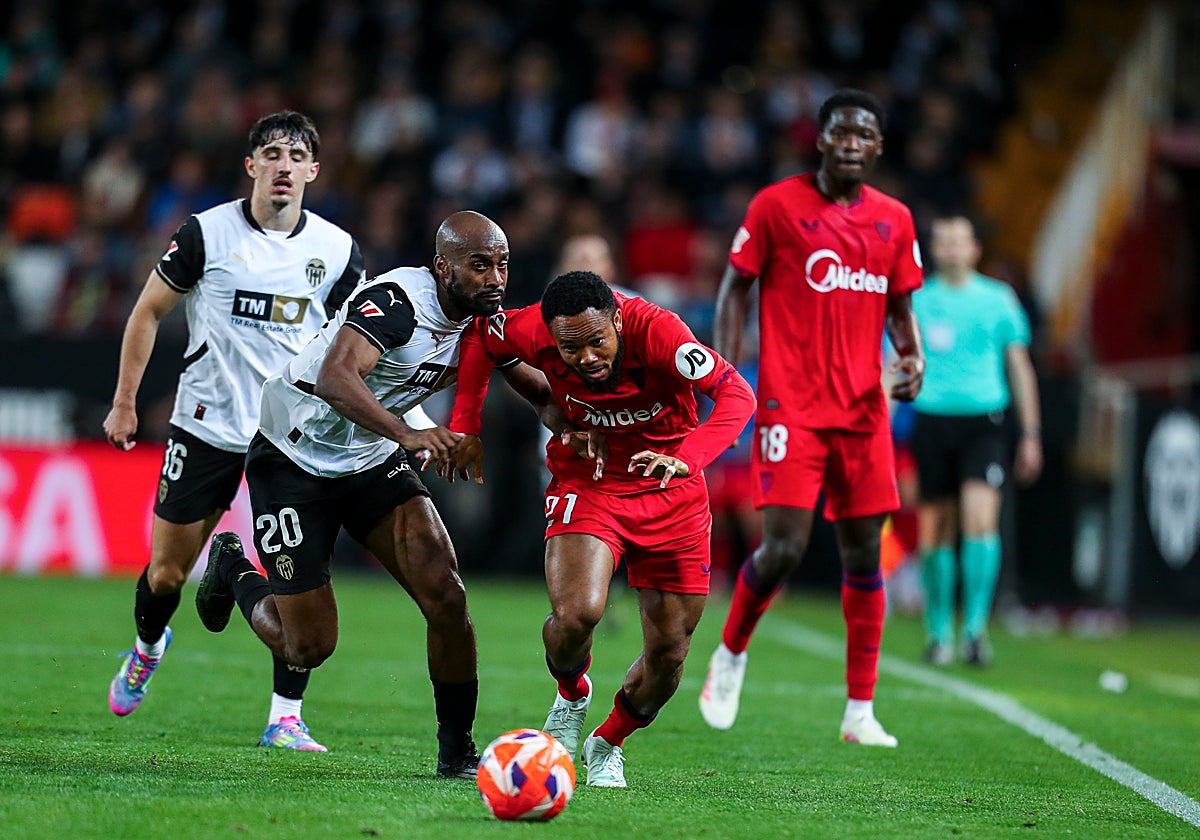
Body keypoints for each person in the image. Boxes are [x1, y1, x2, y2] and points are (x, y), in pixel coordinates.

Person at [195, 211, 551, 771]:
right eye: (480, 266)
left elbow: (541, 392)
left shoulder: (485, 324)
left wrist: (594, 428)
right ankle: (233, 570)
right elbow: (335, 376)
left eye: (502, 266)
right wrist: (408, 433)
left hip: (369, 459)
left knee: (447, 595)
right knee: (307, 646)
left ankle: (456, 752)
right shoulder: (396, 302)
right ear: (443, 267)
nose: (495, 279)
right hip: (294, 457)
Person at [443, 270, 756, 787]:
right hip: (590, 479)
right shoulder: (533, 329)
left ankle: (608, 742)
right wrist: (466, 426)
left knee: (669, 652)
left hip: (671, 487)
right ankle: (571, 696)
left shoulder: (661, 333)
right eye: (570, 348)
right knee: (576, 616)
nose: (586, 358)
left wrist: (690, 457)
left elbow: (737, 394)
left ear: (617, 320)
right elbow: (481, 336)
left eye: (597, 342)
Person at [103, 111, 365, 721]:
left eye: (296, 157)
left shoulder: (337, 251)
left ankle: (285, 717)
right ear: (251, 165)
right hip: (207, 425)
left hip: (288, 435)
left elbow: (358, 340)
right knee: (167, 573)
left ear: (314, 171)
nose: (283, 166)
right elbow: (147, 312)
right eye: (272, 154)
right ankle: (147, 647)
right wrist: (124, 401)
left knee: (295, 572)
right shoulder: (206, 234)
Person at [697, 88, 925, 747]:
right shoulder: (775, 206)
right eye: (841, 132)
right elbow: (734, 288)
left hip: (864, 411)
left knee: (865, 553)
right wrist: (724, 372)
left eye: (864, 135)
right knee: (784, 549)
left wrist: (913, 355)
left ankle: (860, 710)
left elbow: (900, 305)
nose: (852, 144)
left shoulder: (895, 220)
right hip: (790, 407)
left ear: (877, 147)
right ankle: (731, 653)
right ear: (821, 139)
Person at [910, 216, 1042, 667]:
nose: (950, 249)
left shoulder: (998, 299)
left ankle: (975, 630)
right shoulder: (917, 300)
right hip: (932, 420)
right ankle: (937, 631)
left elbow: (1019, 366)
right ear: (933, 249)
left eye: (958, 241)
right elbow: (898, 363)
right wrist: (880, 424)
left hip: (985, 421)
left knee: (980, 520)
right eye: (942, 241)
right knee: (936, 528)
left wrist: (1030, 435)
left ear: (974, 249)